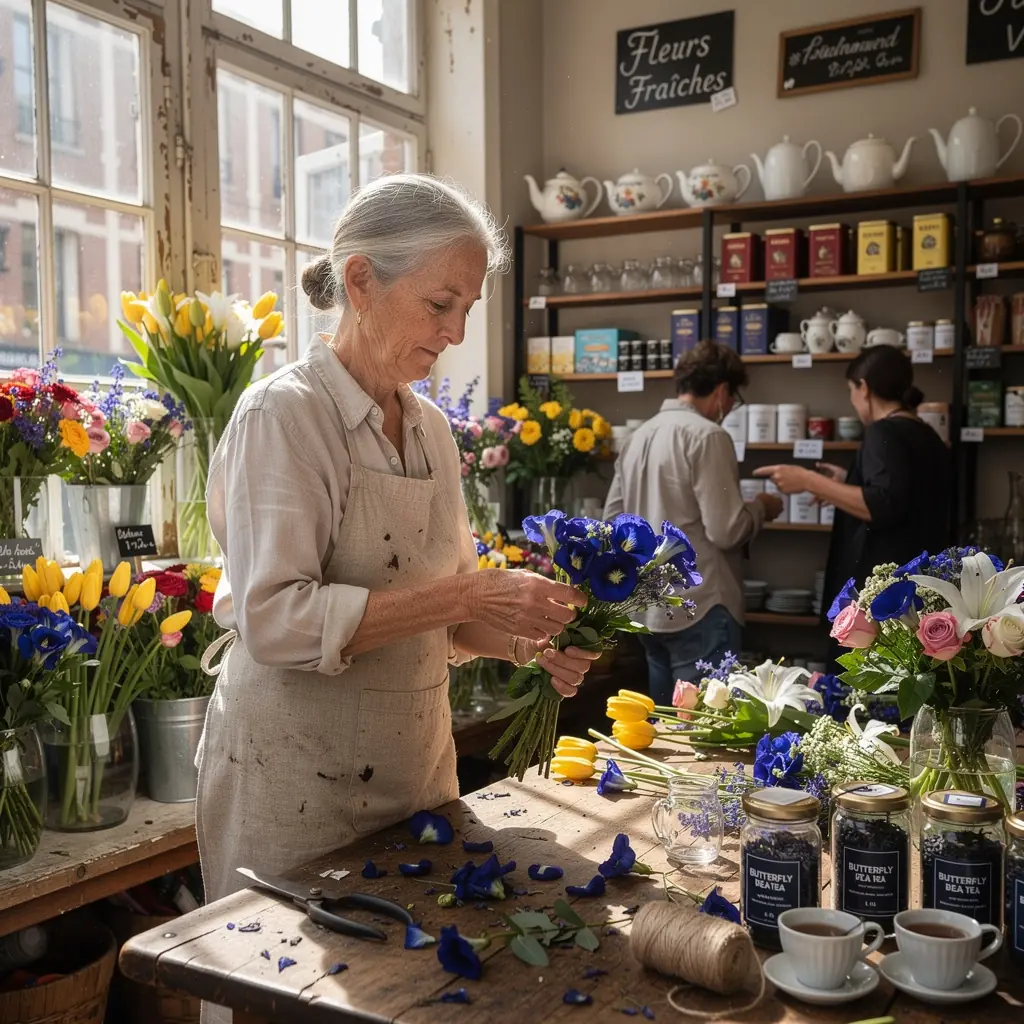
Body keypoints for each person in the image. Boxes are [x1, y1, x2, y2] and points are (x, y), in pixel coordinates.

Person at [195, 175, 602, 1020]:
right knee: (297, 1001)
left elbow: (452, 618)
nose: (454, 334)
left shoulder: (430, 430)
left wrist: (528, 640)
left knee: (413, 999)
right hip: (294, 784)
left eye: (467, 308)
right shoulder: (286, 417)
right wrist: (473, 590)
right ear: (360, 282)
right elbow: (273, 620)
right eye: (439, 304)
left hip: (416, 774)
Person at [603, 340, 782, 705]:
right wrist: (762, 507)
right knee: (705, 732)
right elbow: (726, 529)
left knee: (666, 732)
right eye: (733, 398)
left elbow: (612, 522)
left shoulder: (638, 436)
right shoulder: (708, 436)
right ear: (720, 391)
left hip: (647, 607)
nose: (730, 408)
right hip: (700, 604)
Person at [754, 344, 952, 670]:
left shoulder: (881, 432)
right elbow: (904, 493)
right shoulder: (925, 433)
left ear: (864, 387)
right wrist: (844, 482)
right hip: (919, 588)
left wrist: (809, 480)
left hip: (881, 596)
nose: (852, 399)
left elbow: (882, 505)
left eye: (851, 390)